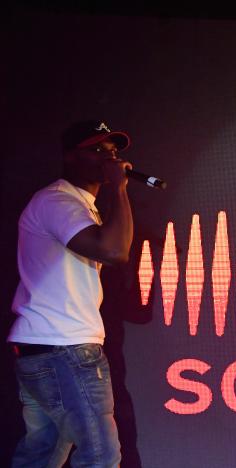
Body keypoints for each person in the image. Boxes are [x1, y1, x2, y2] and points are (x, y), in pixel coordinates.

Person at [8, 120, 134, 468]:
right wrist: (120, 189)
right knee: (100, 457)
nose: (108, 157)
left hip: (48, 349)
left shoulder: (79, 206)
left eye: (113, 150)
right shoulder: (57, 201)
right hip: (64, 350)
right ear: (70, 157)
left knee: (42, 454)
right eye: (97, 150)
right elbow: (113, 250)